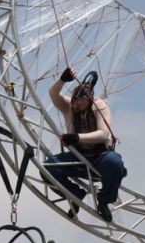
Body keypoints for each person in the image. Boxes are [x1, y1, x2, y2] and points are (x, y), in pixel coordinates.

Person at [44, 67, 126, 222]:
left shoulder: (99, 106)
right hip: (78, 157)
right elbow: (53, 94)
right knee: (48, 168)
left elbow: (104, 134)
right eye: (74, 102)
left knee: (115, 163)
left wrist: (76, 138)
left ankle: (103, 201)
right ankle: (74, 195)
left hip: (100, 157)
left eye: (80, 103)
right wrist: (62, 80)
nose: (76, 107)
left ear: (88, 101)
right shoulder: (68, 106)